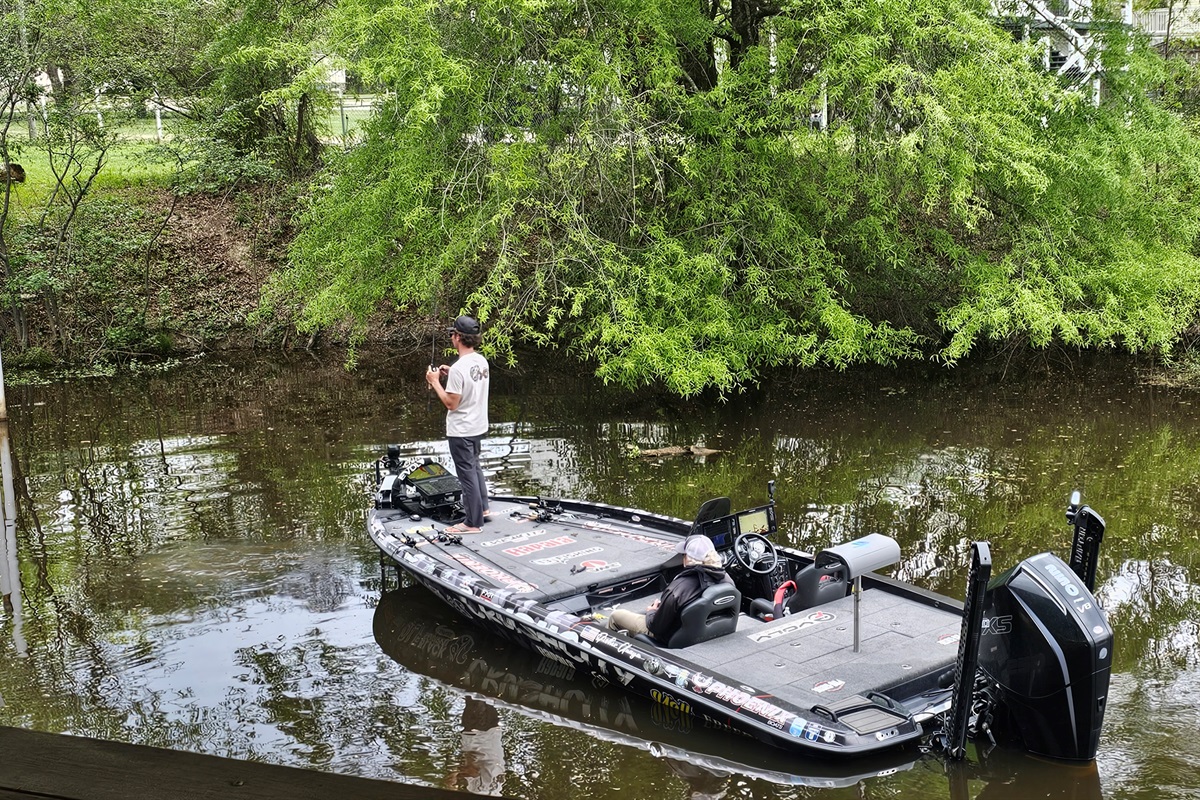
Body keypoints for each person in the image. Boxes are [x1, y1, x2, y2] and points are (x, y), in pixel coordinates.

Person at [426, 314, 490, 533]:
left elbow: (451, 403)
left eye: (452, 333)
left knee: (466, 475)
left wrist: (435, 382)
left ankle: (472, 523)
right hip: (478, 427)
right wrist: (451, 373)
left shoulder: (459, 368)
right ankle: (482, 509)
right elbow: (469, 381)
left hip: (461, 430)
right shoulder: (481, 361)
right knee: (474, 466)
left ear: (458, 337)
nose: (451, 337)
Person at [608, 534, 733, 642]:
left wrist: (651, 611)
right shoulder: (728, 581)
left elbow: (655, 627)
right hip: (708, 634)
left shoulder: (677, 590)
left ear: (687, 559)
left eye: (684, 554)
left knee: (616, 616)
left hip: (672, 639)